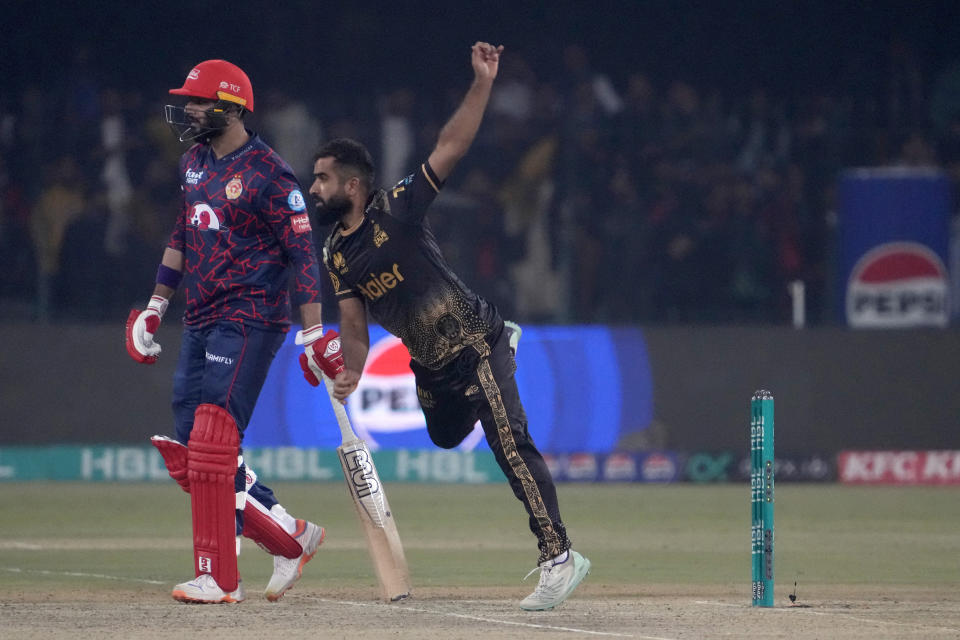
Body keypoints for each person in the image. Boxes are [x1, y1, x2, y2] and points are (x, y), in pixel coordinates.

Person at [310, 42, 591, 611]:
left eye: (322, 179)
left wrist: (483, 81)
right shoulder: (336, 252)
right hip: (432, 368)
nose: (313, 187)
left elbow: (451, 145)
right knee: (443, 435)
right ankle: (485, 393)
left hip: (475, 344)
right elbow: (355, 329)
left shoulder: (398, 208)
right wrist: (351, 371)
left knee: (509, 443)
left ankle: (559, 556)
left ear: (353, 185)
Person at [125, 59, 344, 604]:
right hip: (200, 315)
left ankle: (218, 577)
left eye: (199, 101)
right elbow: (182, 231)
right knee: (191, 448)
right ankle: (287, 537)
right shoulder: (193, 163)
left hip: (250, 317)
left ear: (231, 107)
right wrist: (156, 304)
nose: (190, 110)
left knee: (214, 441)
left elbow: (302, 256)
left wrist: (315, 331)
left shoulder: (271, 174)